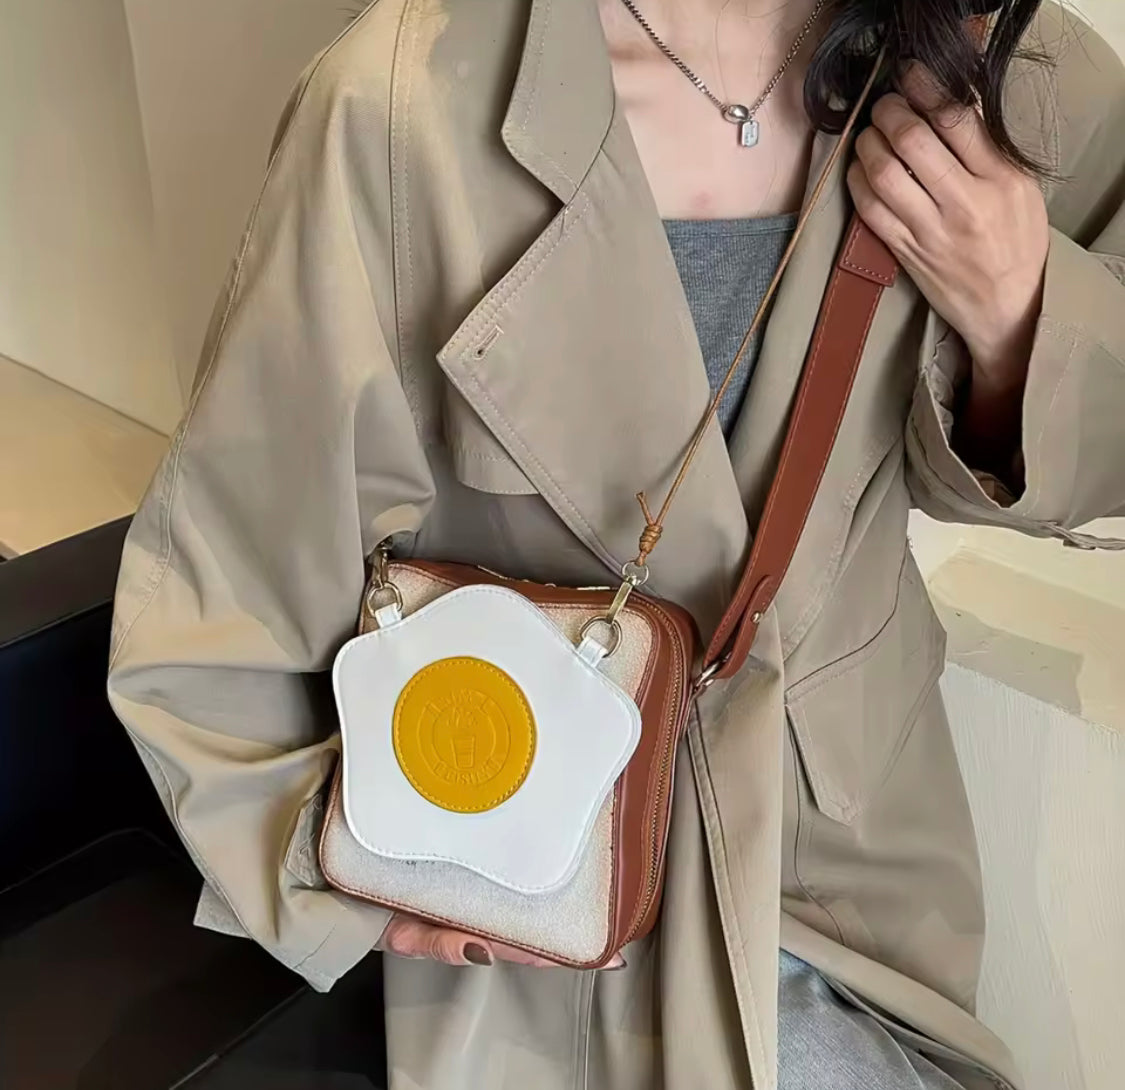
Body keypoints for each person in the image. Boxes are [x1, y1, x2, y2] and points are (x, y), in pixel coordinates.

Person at [107, 0, 1125, 1087]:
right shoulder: (402, 109)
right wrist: (343, 861)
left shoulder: (988, 61)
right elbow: (233, 576)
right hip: (548, 903)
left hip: (851, 889)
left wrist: (1021, 315)